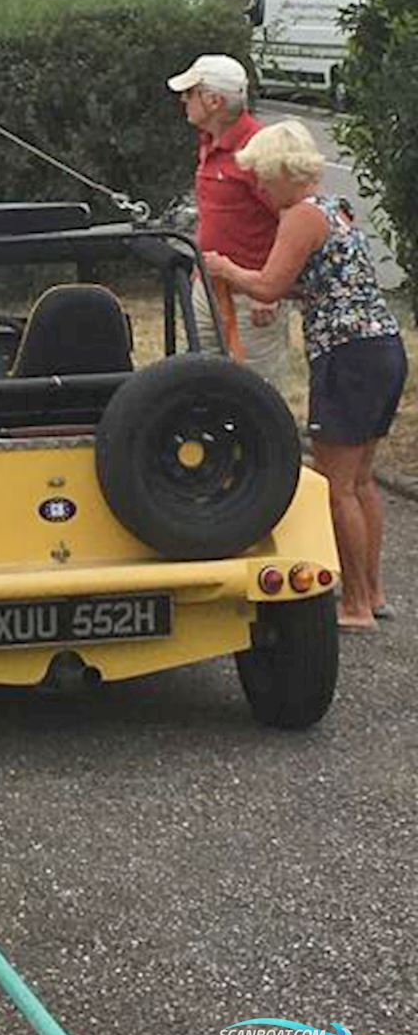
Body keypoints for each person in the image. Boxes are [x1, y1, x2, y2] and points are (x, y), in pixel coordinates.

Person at [205, 119, 406, 631]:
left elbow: (269, 284)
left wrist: (228, 271)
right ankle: (373, 591)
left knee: (336, 486)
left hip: (344, 355)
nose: (264, 193)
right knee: (361, 482)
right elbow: (321, 281)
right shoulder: (336, 210)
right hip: (380, 346)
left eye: (265, 182)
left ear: (282, 173)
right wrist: (281, 291)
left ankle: (356, 605)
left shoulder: (300, 216)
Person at [167, 53, 291, 386]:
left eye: (190, 93)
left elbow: (292, 221)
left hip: (251, 294)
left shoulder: (258, 150)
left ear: (214, 101)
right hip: (208, 283)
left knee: (255, 388)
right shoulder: (210, 141)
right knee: (200, 377)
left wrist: (269, 290)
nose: (184, 100)